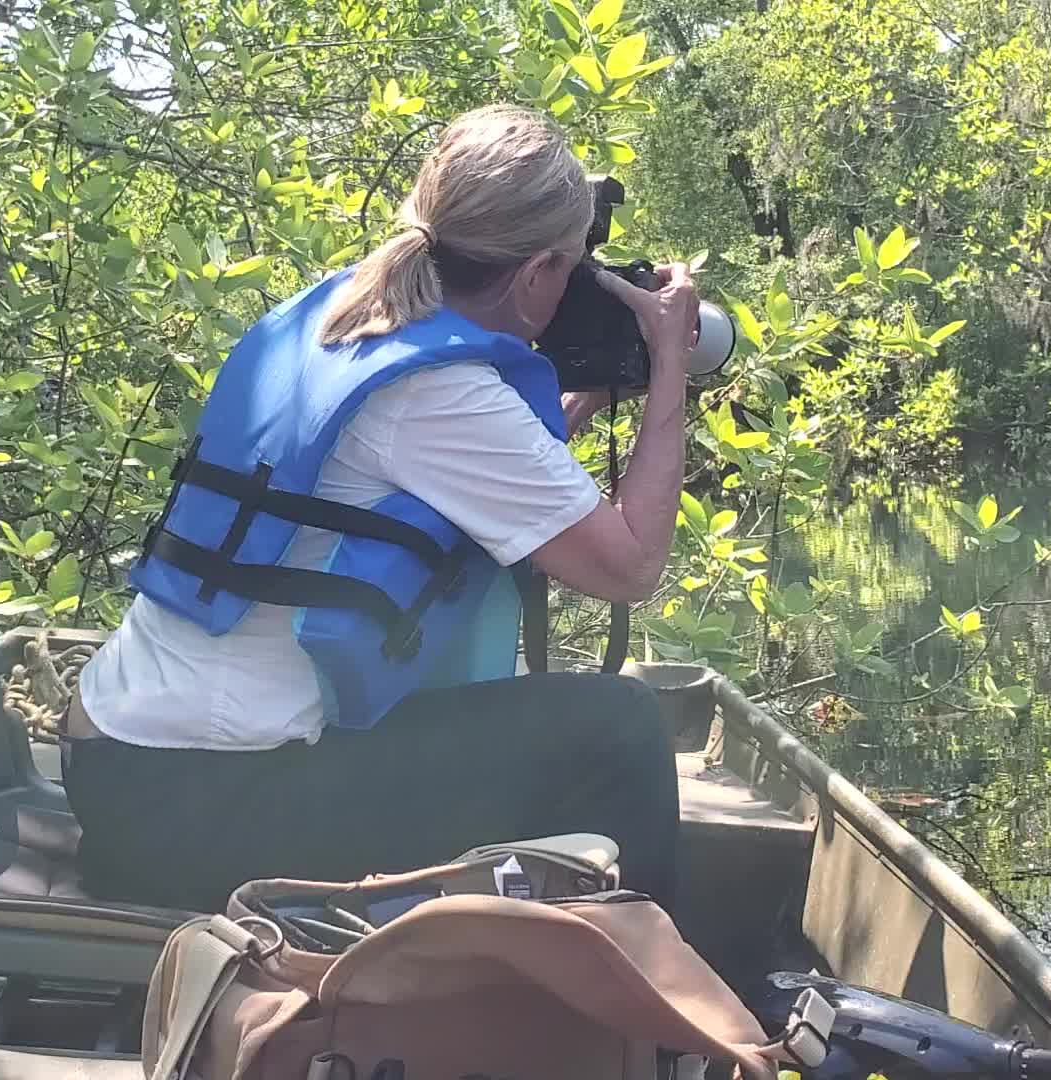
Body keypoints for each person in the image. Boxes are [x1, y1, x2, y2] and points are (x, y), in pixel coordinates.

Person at [60, 103, 700, 915]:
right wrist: (671, 361)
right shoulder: (441, 391)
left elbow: (452, 467)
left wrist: (596, 392)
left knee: (556, 726)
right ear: (537, 271)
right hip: (197, 806)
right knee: (620, 728)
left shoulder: (347, 315)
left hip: (124, 763)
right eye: (573, 268)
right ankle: (644, 1006)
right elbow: (631, 566)